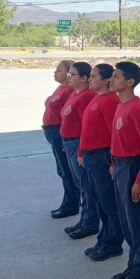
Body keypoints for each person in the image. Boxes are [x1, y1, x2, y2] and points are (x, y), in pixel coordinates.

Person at [109, 61, 140, 279]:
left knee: (136, 222)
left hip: (132, 167)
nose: (112, 80)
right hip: (120, 166)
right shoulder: (121, 105)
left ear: (130, 82)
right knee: (125, 220)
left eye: (116, 76)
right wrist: (113, 162)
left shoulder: (136, 108)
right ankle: (133, 263)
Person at [78, 64, 124, 261]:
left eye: (94, 76)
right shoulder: (97, 98)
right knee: (98, 200)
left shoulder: (111, 101)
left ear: (106, 80)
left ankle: (113, 243)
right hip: (90, 156)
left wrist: (112, 162)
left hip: (102, 156)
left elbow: (114, 134)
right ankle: (103, 238)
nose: (90, 79)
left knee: (108, 203)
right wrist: (81, 151)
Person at [59, 62, 98, 240]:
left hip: (77, 143)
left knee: (86, 185)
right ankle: (84, 219)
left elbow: (87, 127)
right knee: (79, 183)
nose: (69, 77)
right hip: (68, 143)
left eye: (73, 74)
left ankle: (90, 222)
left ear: (84, 78)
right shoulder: (75, 93)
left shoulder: (86, 96)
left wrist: (82, 150)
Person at [43, 60, 80, 219]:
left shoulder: (69, 91)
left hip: (60, 133)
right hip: (53, 132)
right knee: (62, 170)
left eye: (59, 70)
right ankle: (69, 201)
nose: (55, 72)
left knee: (66, 171)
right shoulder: (61, 88)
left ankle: (71, 204)